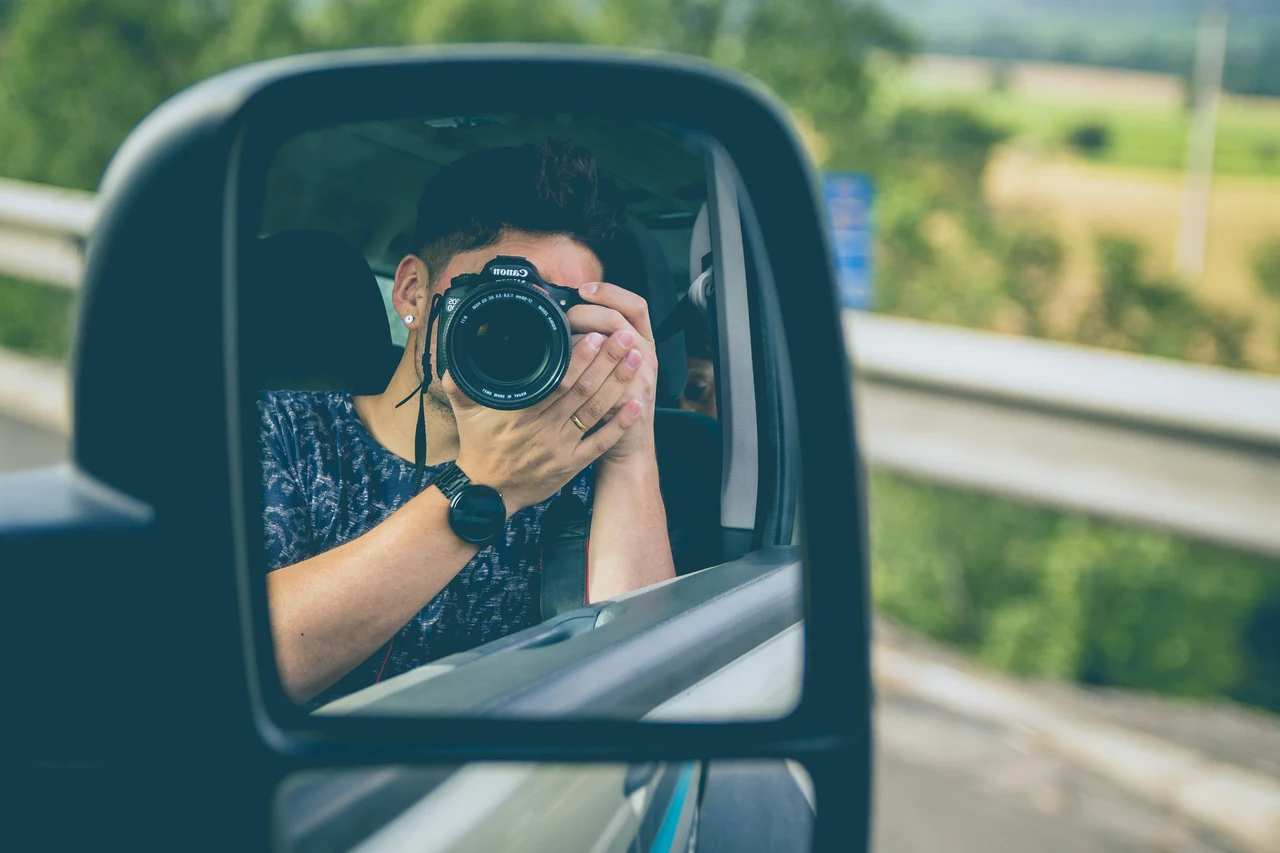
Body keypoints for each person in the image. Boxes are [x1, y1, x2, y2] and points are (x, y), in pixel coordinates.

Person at [258, 140, 675, 705]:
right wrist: (487, 485)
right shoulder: (282, 432)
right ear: (412, 292)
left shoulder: (576, 464)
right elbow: (243, 663)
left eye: (554, 315)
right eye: (499, 301)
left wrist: (630, 442)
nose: (519, 332)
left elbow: (643, 694)